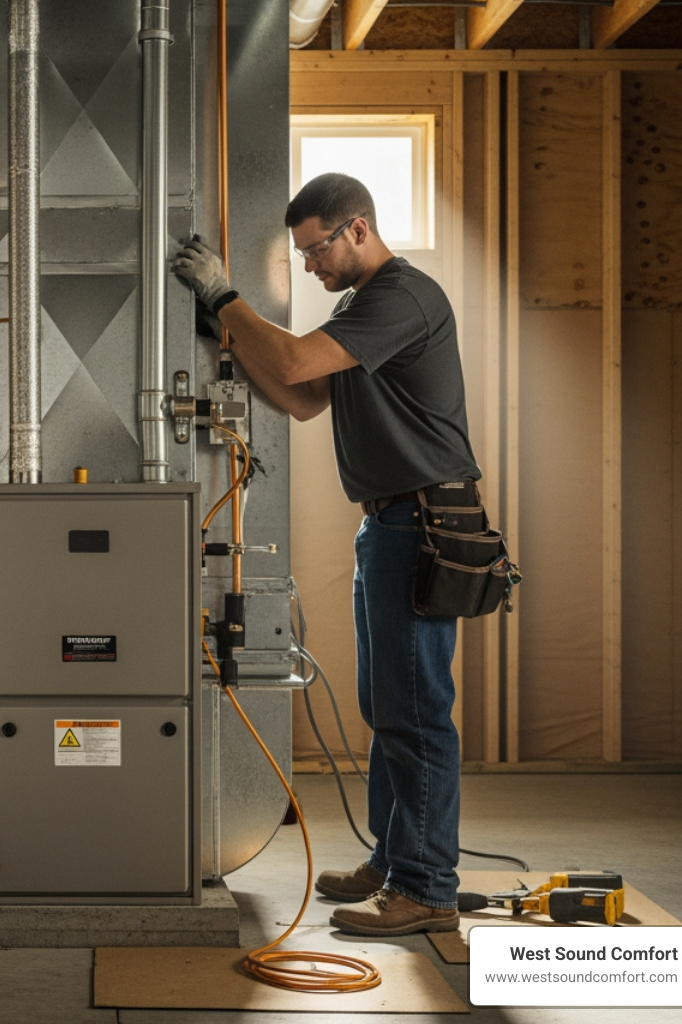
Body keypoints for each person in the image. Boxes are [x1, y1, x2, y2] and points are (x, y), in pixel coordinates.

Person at [172, 172, 479, 938]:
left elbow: (303, 365)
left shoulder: (401, 297)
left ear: (358, 229)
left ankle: (429, 890)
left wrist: (223, 298)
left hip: (423, 525)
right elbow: (304, 399)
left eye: (316, 250)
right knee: (387, 709)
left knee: (418, 716)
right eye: (304, 254)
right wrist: (230, 344)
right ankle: (394, 858)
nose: (310, 265)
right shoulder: (358, 309)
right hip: (389, 525)